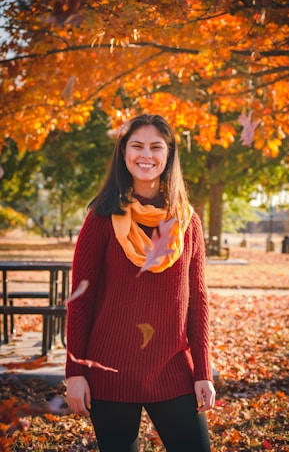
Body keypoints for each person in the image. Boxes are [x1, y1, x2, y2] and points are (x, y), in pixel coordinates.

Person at [65, 114, 216, 452]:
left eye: (155, 147)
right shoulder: (101, 217)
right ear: (123, 153)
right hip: (109, 372)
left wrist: (203, 372)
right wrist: (74, 372)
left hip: (173, 370)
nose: (145, 155)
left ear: (169, 155)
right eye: (136, 146)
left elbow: (198, 301)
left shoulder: (187, 223)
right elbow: (80, 299)